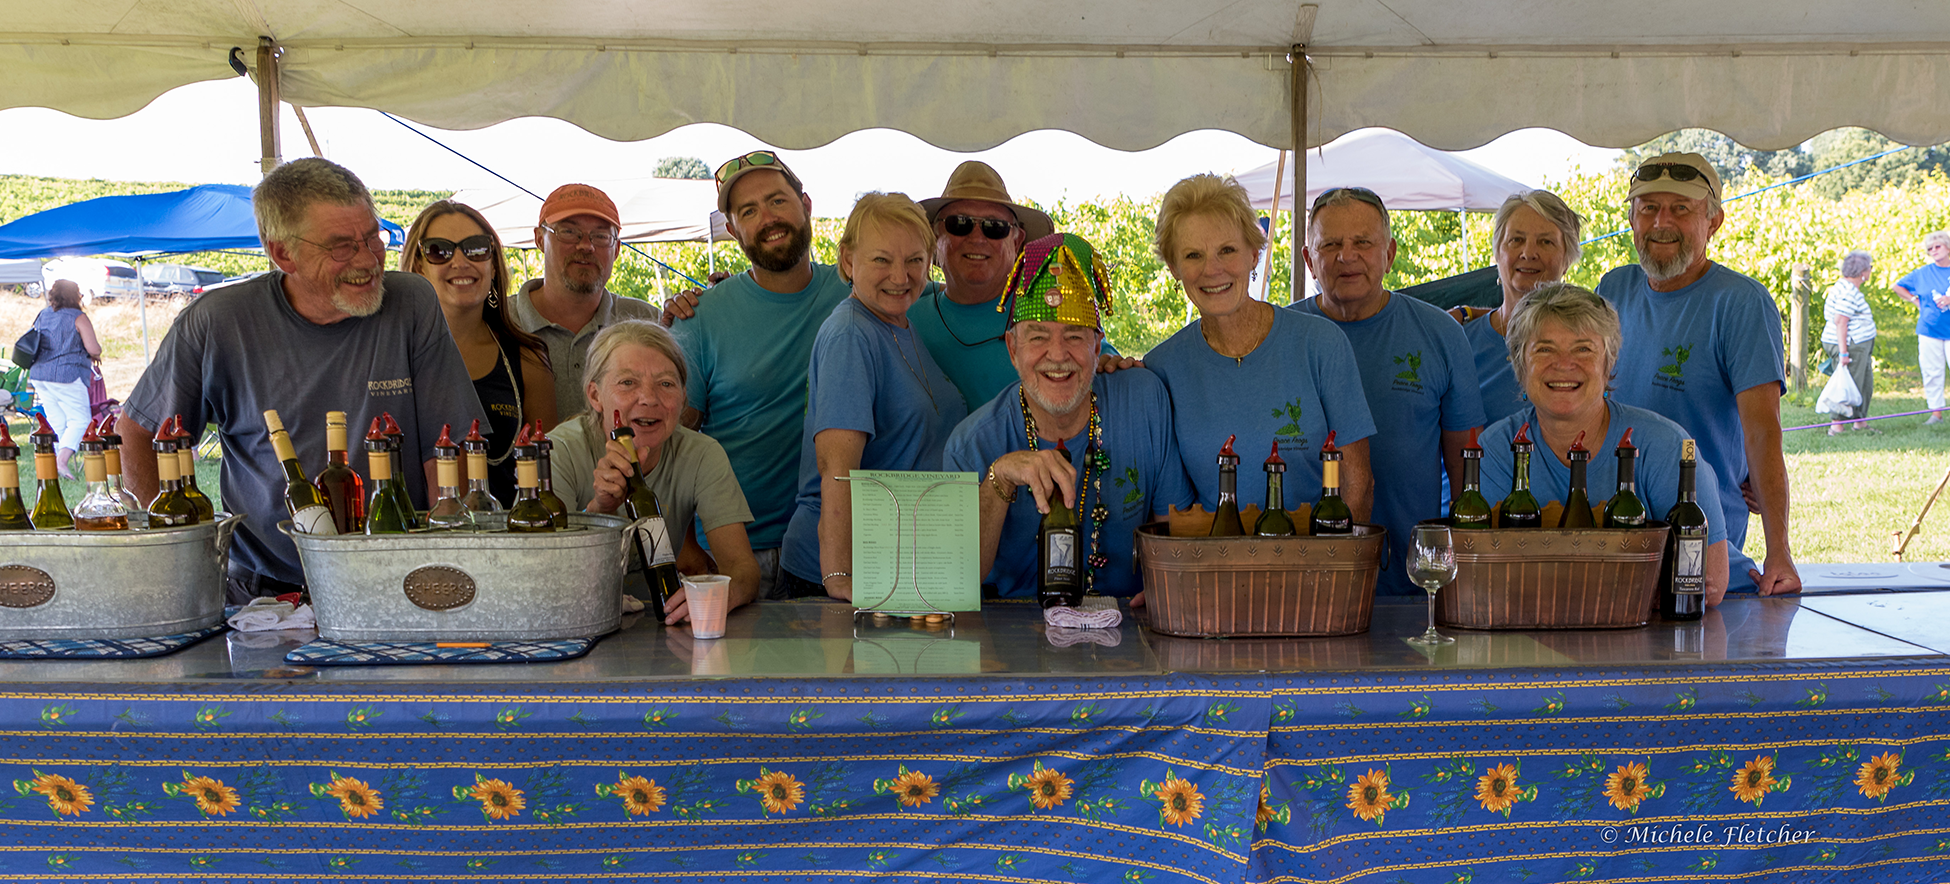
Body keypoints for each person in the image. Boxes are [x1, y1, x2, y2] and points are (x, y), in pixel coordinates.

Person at [118, 158, 485, 602]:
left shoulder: (410, 303)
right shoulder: (218, 322)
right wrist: (182, 559)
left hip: (393, 579)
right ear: (282, 254)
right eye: (342, 247)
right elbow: (138, 434)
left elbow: (446, 450)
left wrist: (445, 562)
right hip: (265, 595)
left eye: (374, 237)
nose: (368, 260)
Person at [943, 232, 1192, 600]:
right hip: (1015, 636)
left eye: (1074, 337)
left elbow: (1173, 529)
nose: (1057, 355)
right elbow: (954, 583)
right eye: (1038, 337)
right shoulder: (971, 445)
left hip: (1126, 632)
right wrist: (1001, 477)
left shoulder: (1144, 400)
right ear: (1013, 349)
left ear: (1096, 346)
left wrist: (1167, 588)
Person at [1596, 152, 1796, 596]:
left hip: (1698, 543)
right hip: (1610, 533)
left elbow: (1763, 431)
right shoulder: (1613, 288)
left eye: (1681, 209)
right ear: (1631, 218)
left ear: (1714, 221)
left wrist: (1778, 551)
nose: (1661, 222)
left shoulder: (1741, 303)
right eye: (1648, 208)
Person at [1476, 283, 1731, 605]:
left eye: (1583, 349)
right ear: (1519, 364)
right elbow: (1489, 579)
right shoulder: (1498, 450)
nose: (1564, 364)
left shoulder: (1666, 445)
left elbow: (1707, 581)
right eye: (1544, 349)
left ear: (1608, 363)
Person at [671, 151, 854, 599]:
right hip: (731, 556)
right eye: (748, 211)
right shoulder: (699, 317)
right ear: (733, 230)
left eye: (776, 201)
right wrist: (685, 543)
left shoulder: (860, 291)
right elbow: (671, 444)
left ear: (806, 205)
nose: (767, 218)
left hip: (831, 553)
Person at [1142, 173, 1376, 520]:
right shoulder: (1161, 368)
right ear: (1175, 268)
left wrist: (1328, 569)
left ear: (1254, 254)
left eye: (1227, 250)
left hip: (1317, 565)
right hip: (1213, 568)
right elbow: (1172, 507)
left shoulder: (1321, 346)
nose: (1213, 270)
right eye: (1193, 255)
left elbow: (1357, 486)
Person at [1288, 187, 1484, 596]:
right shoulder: (1280, 338)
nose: (1347, 256)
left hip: (1414, 585)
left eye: (1363, 242)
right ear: (1308, 259)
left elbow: (1468, 474)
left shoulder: (1441, 334)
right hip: (1299, 582)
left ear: (1389, 253)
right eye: (1331, 244)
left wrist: (1465, 577)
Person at [778, 193, 969, 599]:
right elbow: (837, 468)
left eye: (914, 260)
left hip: (896, 565)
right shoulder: (851, 333)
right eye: (882, 260)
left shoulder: (900, 324)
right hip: (838, 575)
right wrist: (839, 578)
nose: (900, 276)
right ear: (848, 260)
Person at [546, 321, 759, 624]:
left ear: (684, 396)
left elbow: (743, 569)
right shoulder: (558, 451)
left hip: (664, 623)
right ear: (595, 395)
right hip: (577, 623)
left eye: (666, 384)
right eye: (628, 383)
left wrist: (725, 594)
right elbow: (544, 575)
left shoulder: (701, 453)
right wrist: (598, 510)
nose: (649, 398)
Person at [401, 200, 558, 504]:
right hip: (412, 544)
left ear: (493, 263)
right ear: (418, 264)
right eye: (439, 250)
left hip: (508, 542)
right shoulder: (393, 357)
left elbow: (550, 475)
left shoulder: (528, 358)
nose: (460, 262)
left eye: (475, 248)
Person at [908, 161, 1056, 409]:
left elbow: (1100, 363)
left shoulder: (1051, 316)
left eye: (994, 227)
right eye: (959, 224)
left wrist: (1112, 365)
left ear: (1017, 240)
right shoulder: (904, 320)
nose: (976, 238)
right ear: (935, 235)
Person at [508, 183, 659, 420]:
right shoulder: (498, 321)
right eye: (569, 232)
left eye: (601, 236)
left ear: (617, 249)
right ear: (539, 239)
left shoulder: (648, 322)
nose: (586, 246)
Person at [1463, 190, 1584, 424]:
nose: (1528, 253)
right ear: (1498, 252)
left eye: (1546, 242)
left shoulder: (1589, 345)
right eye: (1516, 240)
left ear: (1567, 258)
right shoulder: (1460, 343)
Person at [25, 279, 101, 479]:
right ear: (75, 295)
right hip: (67, 375)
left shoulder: (43, 314)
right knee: (81, 420)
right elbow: (93, 348)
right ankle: (61, 462)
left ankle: (56, 466)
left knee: (58, 420)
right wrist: (97, 354)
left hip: (40, 374)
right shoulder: (78, 317)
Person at [1895, 231, 1950, 425]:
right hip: (1929, 330)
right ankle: (1937, 414)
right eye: (1930, 249)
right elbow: (1898, 286)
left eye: (1938, 247)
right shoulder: (1922, 273)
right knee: (1932, 372)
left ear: (1948, 247)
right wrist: (1914, 300)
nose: (1934, 251)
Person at [1821, 249, 1877, 434]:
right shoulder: (1848, 292)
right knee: (1848, 384)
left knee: (1863, 383)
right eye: (1869, 268)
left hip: (1857, 344)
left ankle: (1860, 421)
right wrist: (1844, 353)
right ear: (1863, 272)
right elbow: (1841, 321)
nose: (1870, 271)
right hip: (1850, 345)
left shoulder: (1846, 287)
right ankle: (1836, 425)